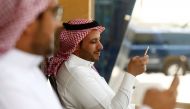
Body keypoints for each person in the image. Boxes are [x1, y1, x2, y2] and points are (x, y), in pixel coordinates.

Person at [46, 19, 178, 109]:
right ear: (75, 47)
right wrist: (131, 74)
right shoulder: (76, 74)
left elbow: (114, 102)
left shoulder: (84, 67)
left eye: (99, 40)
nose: (101, 46)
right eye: (94, 42)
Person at [0, 0, 64, 109]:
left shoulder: (27, 69)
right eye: (55, 13)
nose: (58, 24)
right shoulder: (7, 81)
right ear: (29, 21)